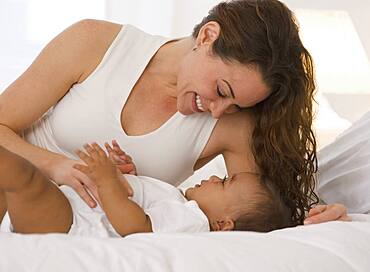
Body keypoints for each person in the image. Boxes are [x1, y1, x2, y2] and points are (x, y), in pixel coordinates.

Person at [0, 0, 347, 226]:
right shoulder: (95, 43)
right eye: (223, 91)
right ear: (208, 37)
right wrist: (56, 166)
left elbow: (250, 216)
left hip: (82, 230)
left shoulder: (235, 125)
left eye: (237, 104)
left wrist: (317, 223)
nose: (219, 110)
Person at [0, 142, 292, 236]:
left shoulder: (194, 220)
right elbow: (142, 204)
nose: (215, 178)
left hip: (71, 223)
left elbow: (135, 226)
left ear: (224, 224)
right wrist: (126, 175)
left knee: (22, 176)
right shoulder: (179, 202)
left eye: (225, 183)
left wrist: (106, 180)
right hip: (69, 209)